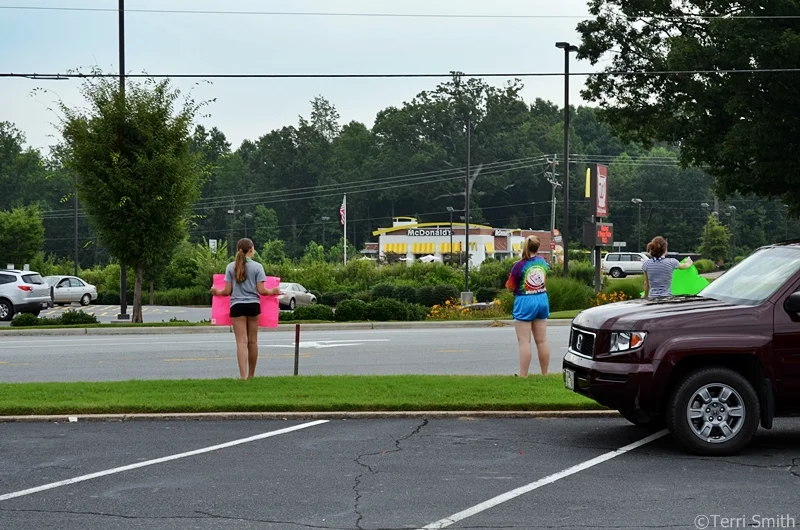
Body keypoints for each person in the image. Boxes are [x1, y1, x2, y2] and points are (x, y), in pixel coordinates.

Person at [210, 238, 280, 380]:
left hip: (237, 306)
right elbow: (262, 291)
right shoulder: (257, 267)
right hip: (254, 306)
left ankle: (243, 377)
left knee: (241, 342)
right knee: (252, 341)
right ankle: (251, 375)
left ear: (238, 250)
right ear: (252, 249)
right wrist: (274, 290)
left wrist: (215, 291)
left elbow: (226, 291)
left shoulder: (230, 267)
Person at [505, 235, 551, 378]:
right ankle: (545, 374)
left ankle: (523, 375)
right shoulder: (542, 262)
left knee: (524, 342)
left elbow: (511, 286)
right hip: (542, 299)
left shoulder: (519, 265)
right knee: (542, 341)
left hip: (525, 301)